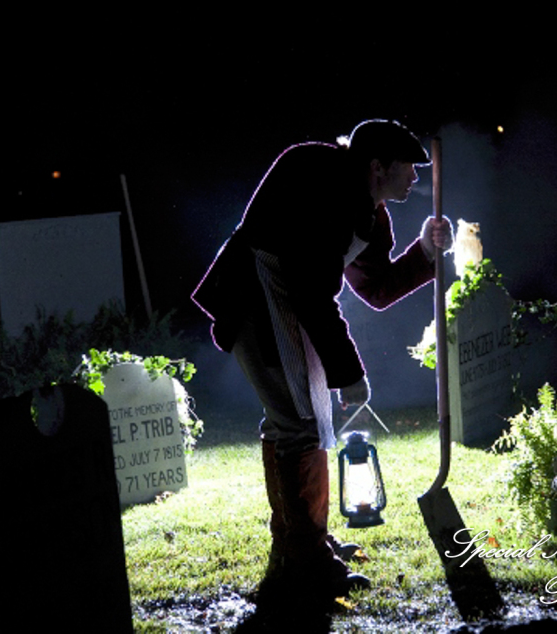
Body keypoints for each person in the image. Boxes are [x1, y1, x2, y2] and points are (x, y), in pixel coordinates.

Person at [192, 119, 452, 608]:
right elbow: (311, 289)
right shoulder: (321, 178)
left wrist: (425, 251)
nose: (416, 177)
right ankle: (306, 560)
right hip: (258, 296)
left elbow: (374, 289)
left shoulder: (370, 215)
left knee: (299, 424)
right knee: (301, 426)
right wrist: (349, 373)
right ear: (377, 167)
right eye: (408, 168)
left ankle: (301, 544)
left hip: (292, 304)